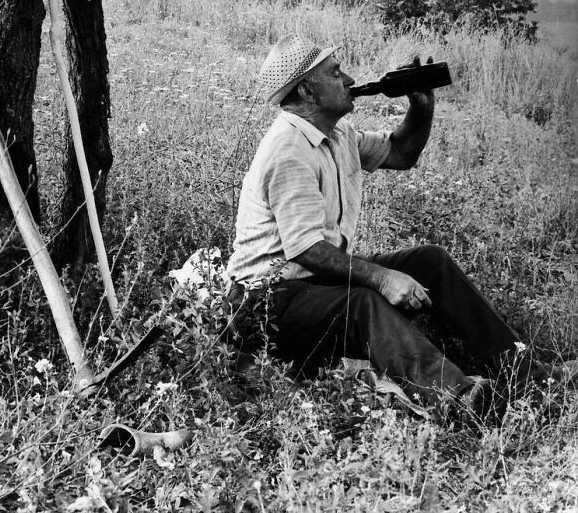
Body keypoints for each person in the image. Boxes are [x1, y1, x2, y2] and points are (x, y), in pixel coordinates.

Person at [226, 34, 552, 419]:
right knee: (363, 301)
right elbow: (305, 250)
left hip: (309, 285)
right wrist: (382, 278)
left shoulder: (337, 133)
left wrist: (421, 106)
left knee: (429, 261)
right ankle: (458, 398)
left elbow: (401, 152)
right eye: (335, 74)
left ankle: (527, 377)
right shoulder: (288, 151)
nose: (348, 80)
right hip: (266, 303)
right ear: (307, 91)